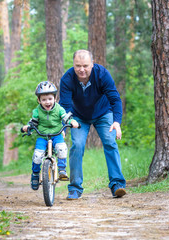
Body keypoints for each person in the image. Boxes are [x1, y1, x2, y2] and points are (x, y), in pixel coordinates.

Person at [59, 49, 126, 199]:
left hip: (103, 113)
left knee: (110, 142)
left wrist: (116, 122)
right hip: (78, 117)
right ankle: (75, 188)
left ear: (92, 64)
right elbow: (64, 106)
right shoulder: (67, 79)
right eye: (78, 66)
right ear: (73, 65)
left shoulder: (102, 74)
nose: (81, 69)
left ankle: (117, 184)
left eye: (85, 65)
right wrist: (65, 123)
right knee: (77, 145)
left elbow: (115, 99)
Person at [22, 81, 79, 191]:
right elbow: (33, 122)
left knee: (62, 148)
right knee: (37, 156)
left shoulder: (59, 109)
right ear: (39, 100)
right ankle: (35, 174)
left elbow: (65, 117)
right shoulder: (37, 111)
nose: (47, 102)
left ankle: (62, 169)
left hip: (57, 134)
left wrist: (72, 122)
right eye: (43, 100)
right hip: (42, 136)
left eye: (50, 99)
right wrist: (27, 127)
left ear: (55, 98)